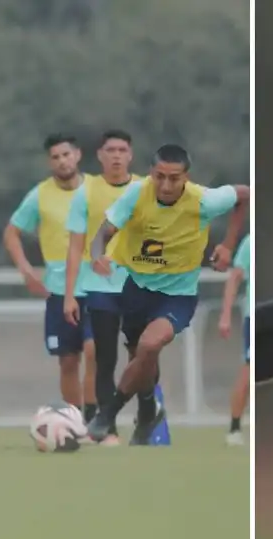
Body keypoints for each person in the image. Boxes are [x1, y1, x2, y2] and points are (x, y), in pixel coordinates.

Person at [86, 143, 250, 445]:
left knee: (149, 346)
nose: (165, 185)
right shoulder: (136, 194)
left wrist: (228, 244)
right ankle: (149, 411)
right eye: (159, 176)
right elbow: (105, 229)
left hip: (177, 294)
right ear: (151, 172)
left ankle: (107, 413)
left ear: (186, 177)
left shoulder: (204, 200)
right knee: (141, 359)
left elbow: (245, 195)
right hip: (136, 287)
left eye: (174, 178)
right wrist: (98, 256)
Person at [4, 134, 95, 415]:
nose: (62, 161)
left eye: (66, 155)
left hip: (97, 286)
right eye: (55, 157)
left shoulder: (97, 189)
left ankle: (95, 419)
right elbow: (11, 233)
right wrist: (26, 270)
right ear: (49, 162)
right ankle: (74, 419)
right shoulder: (40, 195)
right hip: (58, 290)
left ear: (77, 155)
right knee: (68, 361)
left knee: (95, 351)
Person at [64, 130, 143, 444]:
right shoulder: (86, 192)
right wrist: (69, 295)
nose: (116, 156)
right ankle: (107, 429)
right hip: (99, 285)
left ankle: (148, 416)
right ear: (99, 155)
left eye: (123, 150)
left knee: (142, 355)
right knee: (102, 356)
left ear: (130, 155)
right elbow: (75, 247)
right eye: (110, 150)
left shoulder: (143, 189)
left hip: (139, 285)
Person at [218, 232, 250, 446]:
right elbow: (234, 278)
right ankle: (234, 428)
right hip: (253, 315)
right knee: (249, 370)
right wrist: (226, 315)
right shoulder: (250, 241)